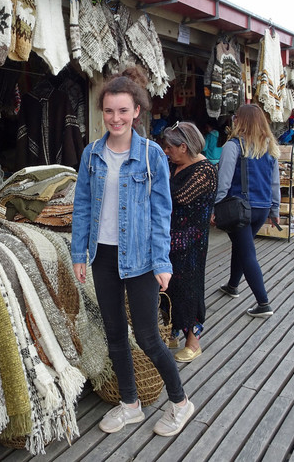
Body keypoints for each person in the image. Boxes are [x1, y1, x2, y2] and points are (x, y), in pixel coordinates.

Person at [71, 65, 194, 437]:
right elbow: (81, 206)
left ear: (137, 111)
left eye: (123, 110)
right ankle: (130, 404)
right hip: (103, 257)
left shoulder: (153, 154)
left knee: (147, 336)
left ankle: (181, 403)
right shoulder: (92, 154)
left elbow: (162, 213)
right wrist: (79, 253)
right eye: (109, 111)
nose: (115, 118)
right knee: (113, 334)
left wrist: (161, 261)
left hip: (140, 258)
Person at [214, 104, 280, 318]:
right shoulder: (269, 146)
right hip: (261, 208)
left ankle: (263, 303)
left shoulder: (233, 146)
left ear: (239, 121)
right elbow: (274, 183)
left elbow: (223, 181)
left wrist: (216, 207)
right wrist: (275, 208)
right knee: (242, 246)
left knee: (247, 252)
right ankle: (233, 285)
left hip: (239, 208)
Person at [160, 122, 217, 362]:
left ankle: (193, 341)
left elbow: (177, 196)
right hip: (170, 238)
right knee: (166, 287)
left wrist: (157, 175)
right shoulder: (175, 165)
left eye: (170, 147)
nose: (166, 151)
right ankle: (171, 331)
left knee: (189, 289)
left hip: (191, 243)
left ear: (183, 147)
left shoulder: (204, 171)